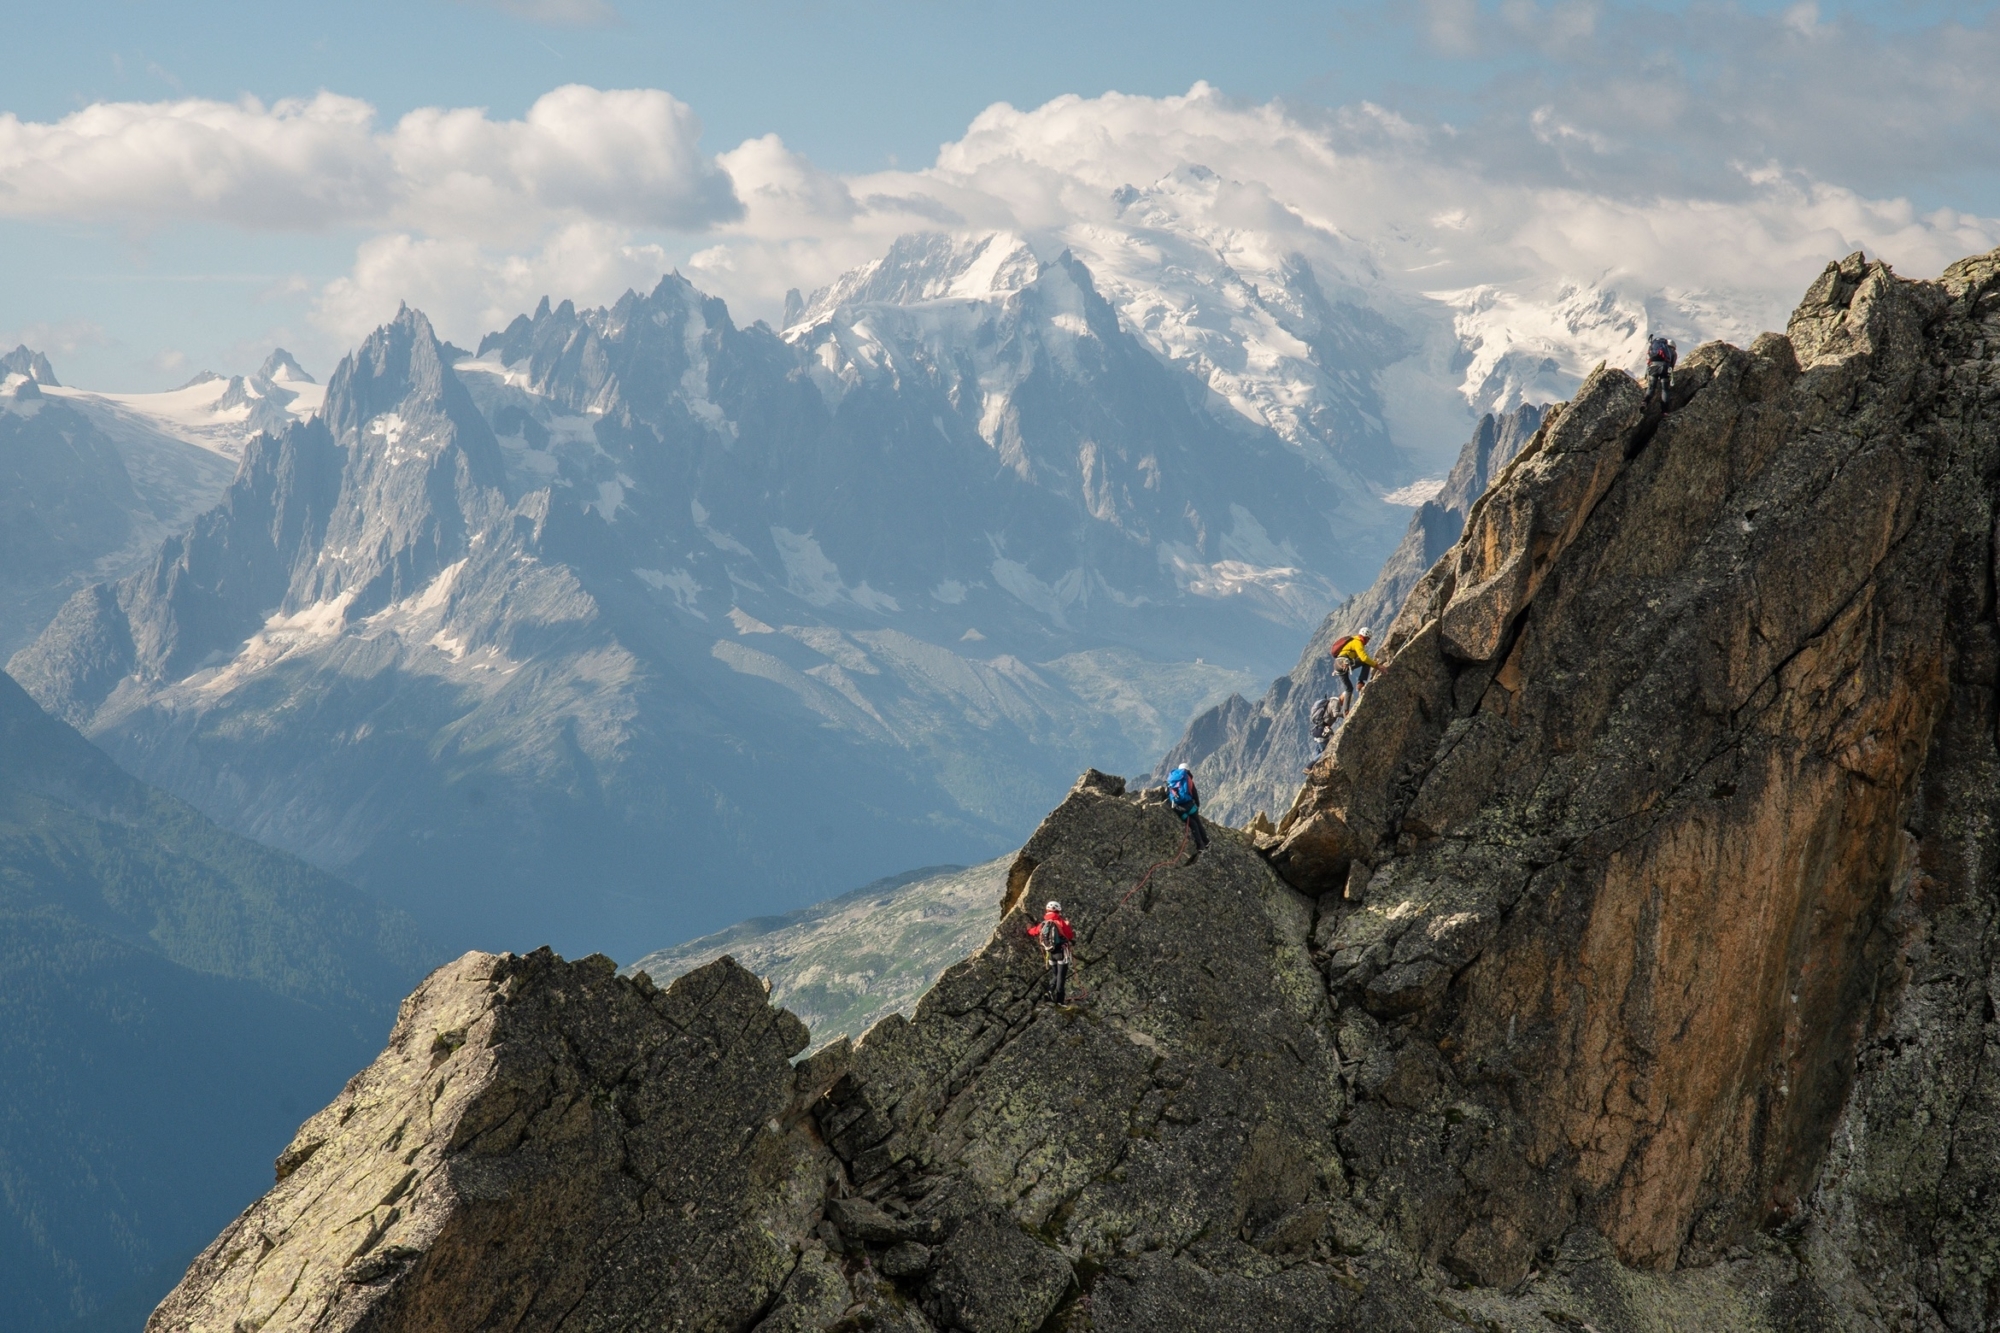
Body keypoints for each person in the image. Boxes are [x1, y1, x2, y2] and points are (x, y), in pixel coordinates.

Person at [1026, 900, 1075, 1003]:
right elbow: (1069, 936)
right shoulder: (1060, 922)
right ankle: (1060, 1001)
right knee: (1061, 978)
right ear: (1058, 911)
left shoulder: (1044, 923)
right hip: (1061, 953)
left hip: (1050, 954)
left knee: (1056, 975)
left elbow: (1033, 932)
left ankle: (1049, 991)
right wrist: (1067, 925)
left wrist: (1029, 928)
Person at [1330, 628, 1384, 719]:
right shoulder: (1357, 642)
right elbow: (1364, 658)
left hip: (1338, 665)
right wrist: (1377, 666)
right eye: (1368, 639)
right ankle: (1361, 682)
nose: (1367, 641)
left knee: (1349, 688)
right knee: (1366, 662)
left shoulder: (1353, 641)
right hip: (1344, 663)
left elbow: (1359, 656)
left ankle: (1345, 712)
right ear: (1365, 637)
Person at [1165, 764, 1209, 859]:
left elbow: (1168, 793)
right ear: (1187, 770)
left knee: (1192, 824)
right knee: (1197, 822)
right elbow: (1194, 794)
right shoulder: (1188, 779)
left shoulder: (1172, 778)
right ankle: (1205, 842)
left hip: (1178, 809)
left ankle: (1200, 846)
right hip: (1189, 807)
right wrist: (1196, 805)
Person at [1646, 334, 1677, 406]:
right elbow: (1672, 365)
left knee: (1651, 387)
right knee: (1665, 389)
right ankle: (1664, 411)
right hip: (1665, 369)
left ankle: (1645, 402)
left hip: (1653, 367)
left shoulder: (1657, 350)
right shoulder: (1673, 352)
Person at [1309, 694, 1337, 760]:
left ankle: (1312, 766)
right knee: (1324, 753)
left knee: (1318, 751)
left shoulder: (1319, 720)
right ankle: (1310, 765)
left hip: (1316, 734)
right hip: (1321, 736)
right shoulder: (1325, 720)